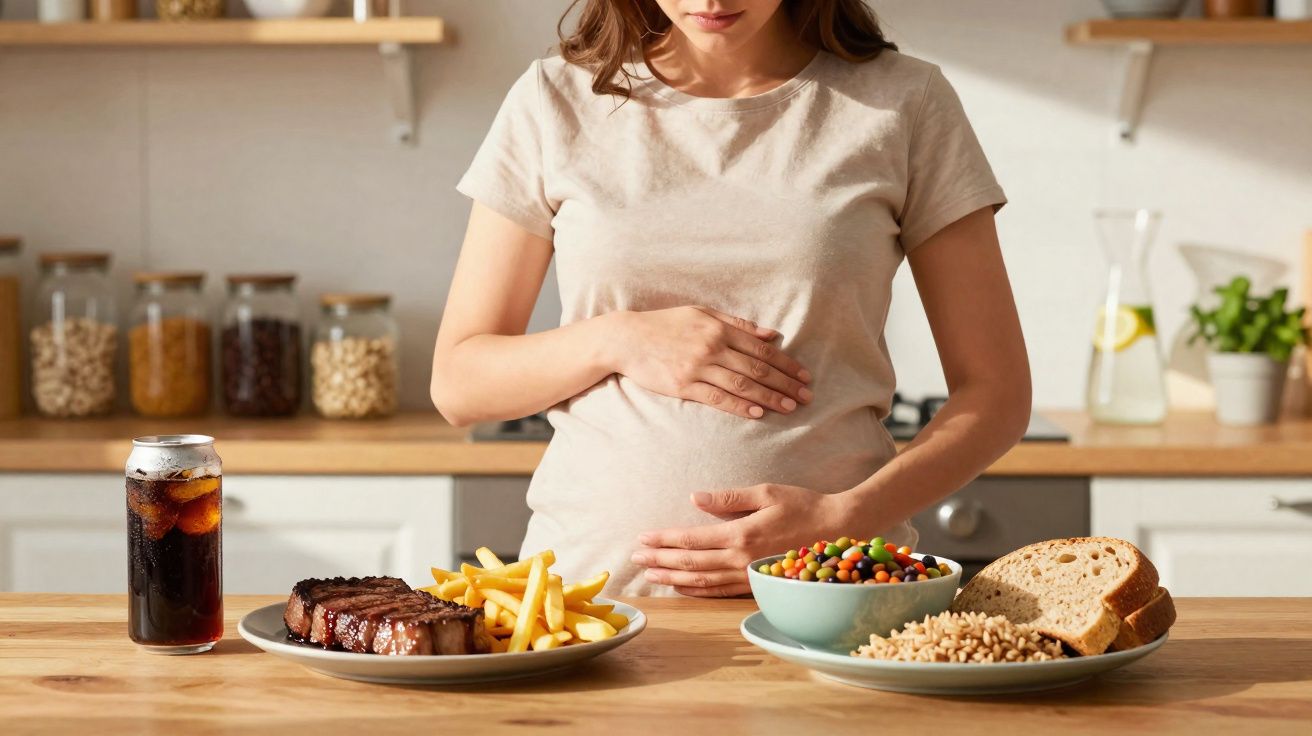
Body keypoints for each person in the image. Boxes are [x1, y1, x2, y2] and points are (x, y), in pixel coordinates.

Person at [431, 0, 1030, 597]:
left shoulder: (905, 101)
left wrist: (843, 520)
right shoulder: (553, 99)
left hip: (830, 598)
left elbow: (997, 395)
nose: (712, 1)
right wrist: (619, 339)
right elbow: (459, 384)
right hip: (588, 605)